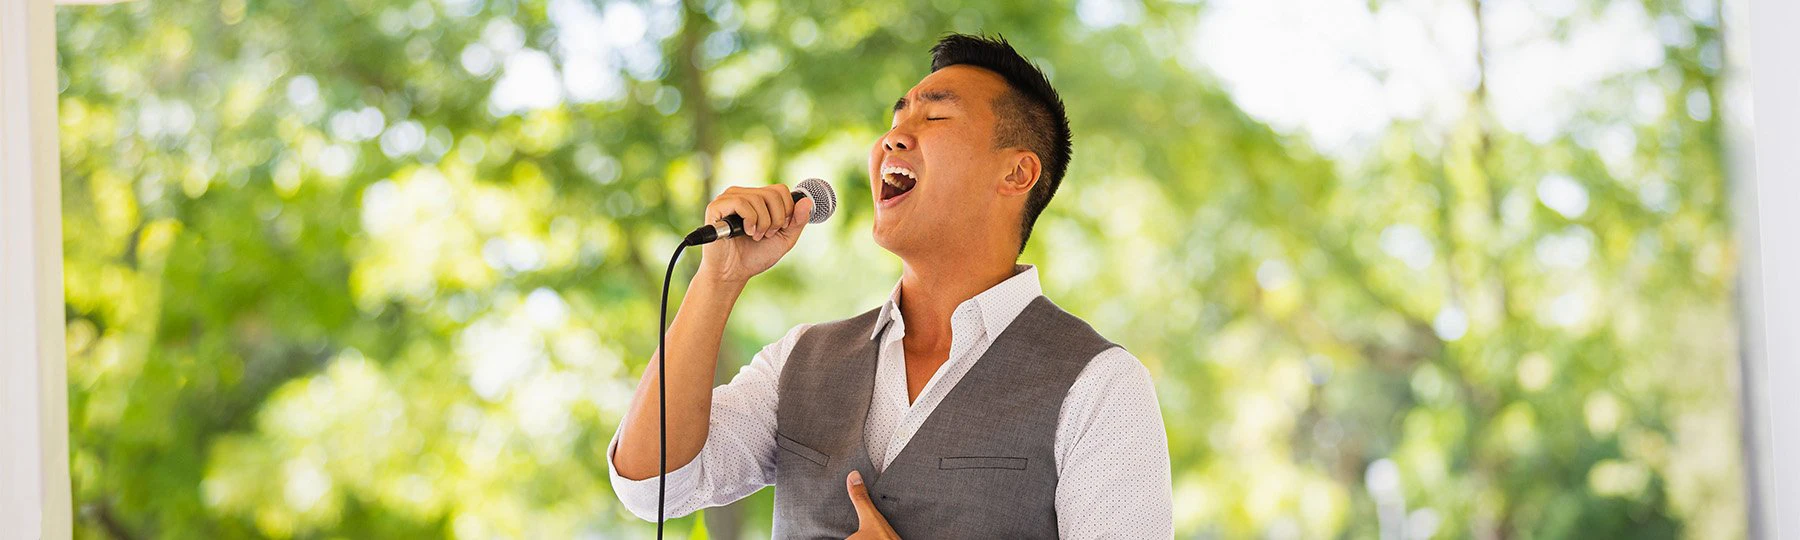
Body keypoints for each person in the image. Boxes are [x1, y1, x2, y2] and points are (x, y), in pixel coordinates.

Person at [608, 33, 1172, 539]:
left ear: (1016, 173)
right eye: (897, 118)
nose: (893, 138)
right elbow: (652, 486)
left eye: (935, 119)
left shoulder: (1100, 386)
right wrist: (718, 280)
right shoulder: (801, 360)